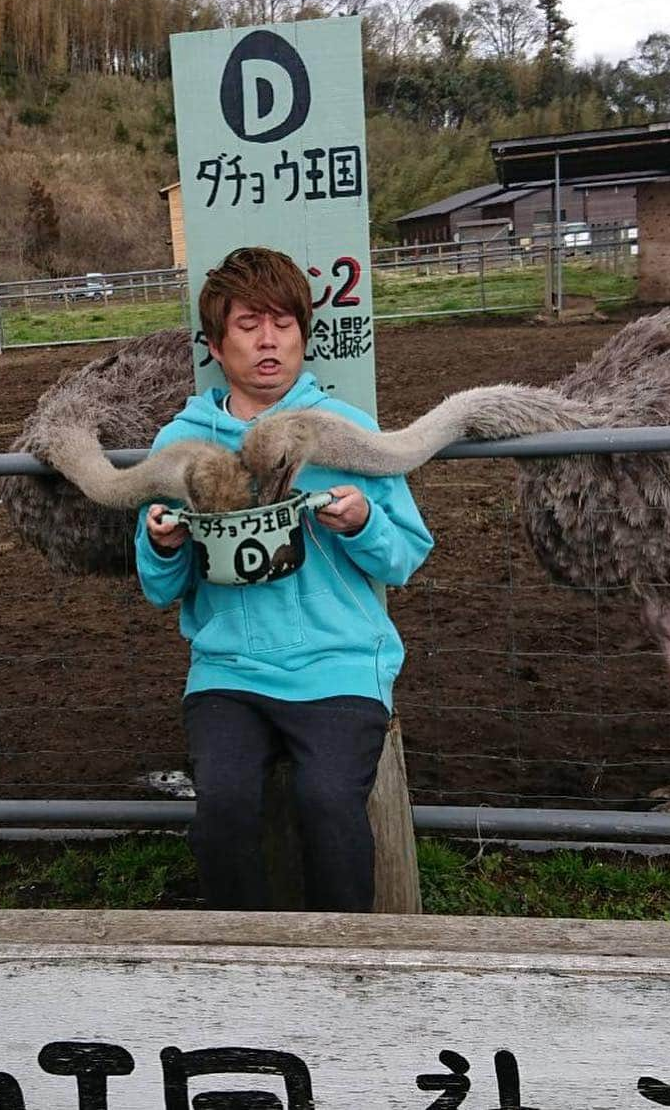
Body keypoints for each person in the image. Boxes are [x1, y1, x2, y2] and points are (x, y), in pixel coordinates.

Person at [134, 246, 433, 912]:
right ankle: (244, 964)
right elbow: (159, 587)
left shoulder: (347, 433)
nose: (268, 340)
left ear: (304, 332)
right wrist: (163, 540)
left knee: (328, 799)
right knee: (225, 804)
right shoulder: (181, 445)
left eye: (283, 323)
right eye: (247, 325)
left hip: (340, 665)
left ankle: (345, 962)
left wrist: (362, 525)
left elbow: (406, 556)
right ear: (214, 343)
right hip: (228, 671)